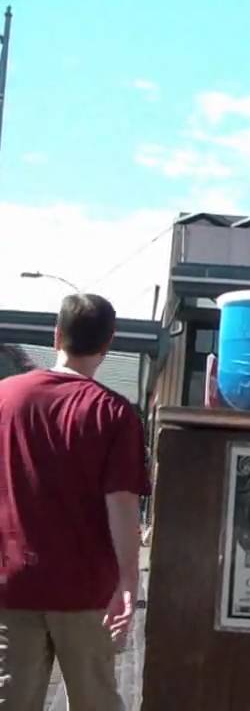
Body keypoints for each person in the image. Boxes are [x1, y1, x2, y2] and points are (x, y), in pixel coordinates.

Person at [0, 294, 151, 710]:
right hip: (86, 590)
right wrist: (128, 580)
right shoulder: (113, 413)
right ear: (108, 343)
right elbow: (121, 505)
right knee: (95, 700)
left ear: (56, 336)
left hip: (13, 585)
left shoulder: (5, 398)